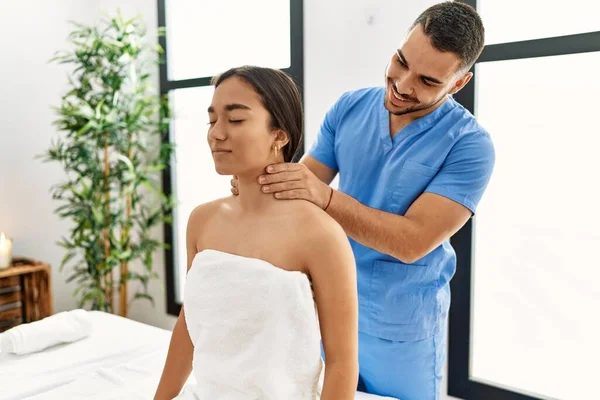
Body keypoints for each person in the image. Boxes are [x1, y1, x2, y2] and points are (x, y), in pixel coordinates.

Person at [231, 2, 495, 399]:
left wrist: (324, 198)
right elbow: (301, 189)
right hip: (328, 306)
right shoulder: (349, 108)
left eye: (427, 81)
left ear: (458, 84)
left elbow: (412, 242)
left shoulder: (470, 145)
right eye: (400, 61)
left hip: (401, 328)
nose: (404, 85)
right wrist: (260, 180)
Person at [153, 66, 359, 400]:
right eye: (212, 120)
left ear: (279, 134)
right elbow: (189, 327)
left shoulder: (321, 235)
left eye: (235, 120)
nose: (216, 133)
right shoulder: (202, 220)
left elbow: (342, 364)